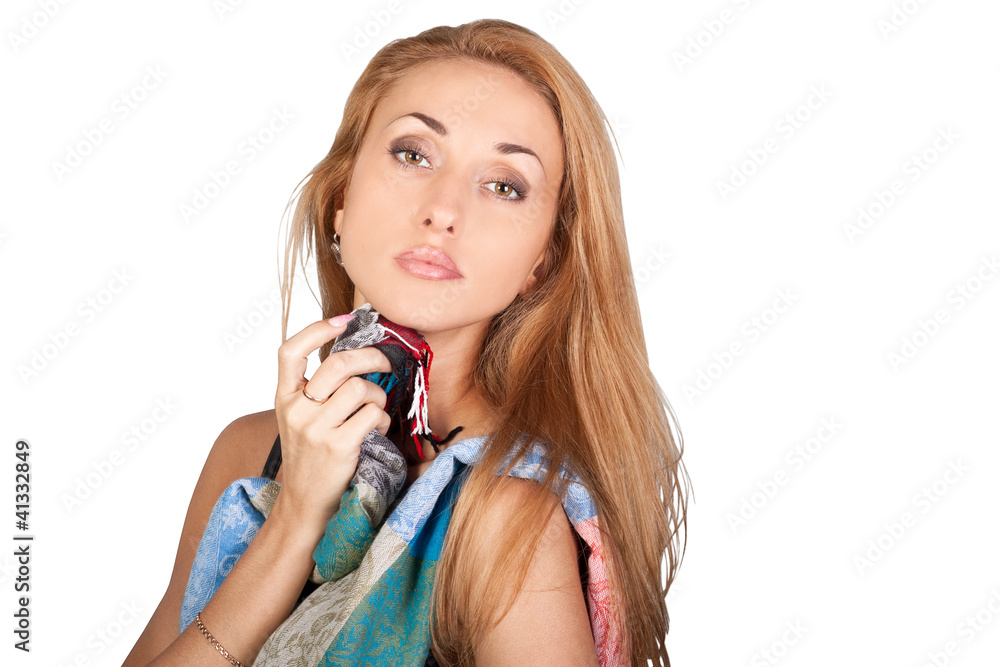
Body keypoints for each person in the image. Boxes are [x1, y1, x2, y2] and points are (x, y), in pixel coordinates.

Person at [124, 18, 690, 667]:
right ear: (341, 198)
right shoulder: (249, 452)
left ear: (541, 258)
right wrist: (291, 524)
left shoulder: (507, 515)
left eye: (504, 184)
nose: (445, 208)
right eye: (413, 153)